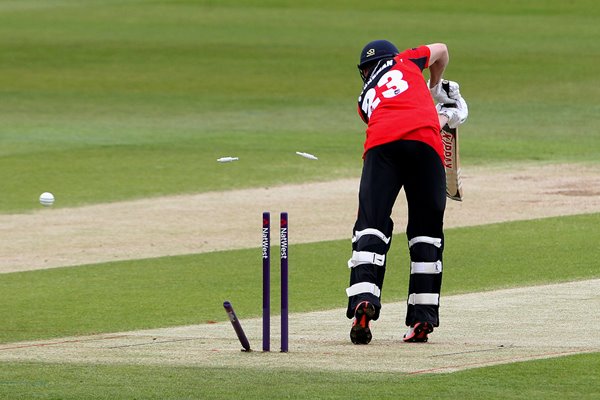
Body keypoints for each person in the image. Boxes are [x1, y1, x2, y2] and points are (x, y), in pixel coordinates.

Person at [346, 39, 468, 344]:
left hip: (382, 146)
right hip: (426, 144)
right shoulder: (408, 60)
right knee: (427, 234)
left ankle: (364, 303)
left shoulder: (364, 97)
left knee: (370, 226)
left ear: (366, 71)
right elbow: (442, 48)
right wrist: (436, 88)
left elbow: (392, 118)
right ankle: (422, 320)